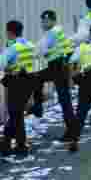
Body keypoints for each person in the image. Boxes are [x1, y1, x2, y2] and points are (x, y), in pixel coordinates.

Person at [31, 9, 77, 141]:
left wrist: (36, 54)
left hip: (57, 67)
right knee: (64, 99)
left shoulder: (52, 33)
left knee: (37, 78)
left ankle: (38, 107)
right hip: (60, 66)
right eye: (42, 21)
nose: (43, 23)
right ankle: (72, 130)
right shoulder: (59, 31)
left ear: (52, 21)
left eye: (45, 21)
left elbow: (41, 50)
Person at [1, 20, 35, 157]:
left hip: (16, 83)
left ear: (10, 32)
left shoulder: (13, 48)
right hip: (29, 82)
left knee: (15, 114)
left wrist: (9, 69)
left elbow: (1, 64)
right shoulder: (30, 45)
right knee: (18, 114)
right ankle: (19, 145)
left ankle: (8, 145)